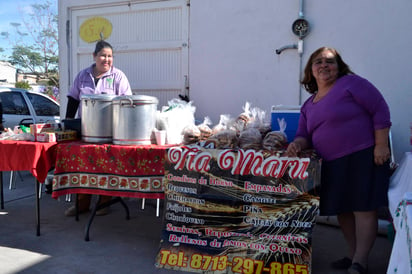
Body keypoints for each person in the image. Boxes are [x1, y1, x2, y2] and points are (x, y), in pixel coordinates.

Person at [286, 47, 391, 274]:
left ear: (339, 66)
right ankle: (352, 254)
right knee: (343, 210)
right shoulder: (308, 105)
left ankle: (360, 261)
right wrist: (297, 144)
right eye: (318, 62)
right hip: (332, 163)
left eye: (330, 61)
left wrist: (381, 144)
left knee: (364, 208)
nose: (324, 65)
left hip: (362, 155)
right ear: (311, 70)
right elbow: (304, 135)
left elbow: (380, 109)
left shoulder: (351, 84)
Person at [64, 40, 132, 217]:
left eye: (110, 56)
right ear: (94, 56)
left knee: (105, 165)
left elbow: (127, 103)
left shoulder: (118, 77)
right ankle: (82, 204)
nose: (107, 59)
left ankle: (104, 203)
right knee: (83, 165)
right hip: (84, 130)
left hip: (110, 131)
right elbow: (73, 99)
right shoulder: (82, 76)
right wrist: (68, 123)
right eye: (103, 55)